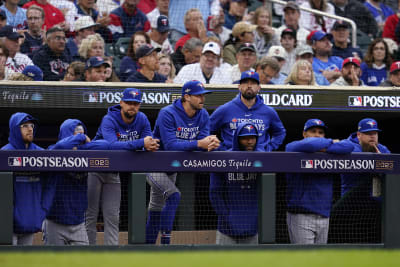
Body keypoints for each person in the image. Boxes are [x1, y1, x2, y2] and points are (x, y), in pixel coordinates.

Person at [44, 118, 150, 245]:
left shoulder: (86, 151)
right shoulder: (53, 149)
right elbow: (61, 146)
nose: (80, 138)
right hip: (55, 221)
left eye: (83, 134)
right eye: (76, 134)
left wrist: (84, 144)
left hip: (77, 224)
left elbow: (106, 145)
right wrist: (81, 137)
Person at [146, 80, 220, 244]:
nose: (202, 98)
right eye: (198, 95)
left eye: (203, 95)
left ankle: (148, 247)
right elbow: (171, 145)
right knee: (174, 195)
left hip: (173, 168)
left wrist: (211, 144)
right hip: (155, 164)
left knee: (156, 206)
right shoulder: (168, 113)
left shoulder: (203, 114)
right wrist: (200, 144)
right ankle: (165, 244)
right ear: (186, 96)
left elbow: (203, 143)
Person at [86, 88, 159, 245]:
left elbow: (149, 141)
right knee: (90, 215)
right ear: (121, 103)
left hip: (113, 172)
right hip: (95, 168)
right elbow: (111, 146)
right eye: (129, 103)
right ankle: (88, 251)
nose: (132, 107)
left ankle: (111, 254)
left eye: (136, 104)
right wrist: (141, 143)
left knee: (112, 216)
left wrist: (149, 144)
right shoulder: (109, 119)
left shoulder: (142, 119)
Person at [285, 118, 353, 244]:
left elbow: (349, 146)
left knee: (319, 260)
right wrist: (331, 142)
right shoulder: (293, 146)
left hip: (324, 214)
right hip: (301, 215)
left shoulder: (326, 151)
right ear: (304, 134)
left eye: (321, 132)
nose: (317, 135)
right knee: (304, 260)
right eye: (313, 131)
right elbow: (310, 145)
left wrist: (322, 146)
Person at [331, 118, 390, 243]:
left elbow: (393, 168)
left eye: (375, 133)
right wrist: (379, 162)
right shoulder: (348, 146)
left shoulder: (382, 149)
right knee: (349, 245)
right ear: (359, 135)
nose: (372, 137)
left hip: (374, 207)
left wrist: (383, 162)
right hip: (351, 207)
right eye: (368, 134)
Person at [1, 112, 56, 245]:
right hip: (7, 225)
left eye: (31, 126)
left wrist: (42, 211)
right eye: (24, 126)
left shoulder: (41, 154)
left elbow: (50, 184)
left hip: (31, 221)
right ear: (15, 129)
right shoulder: (4, 154)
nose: (30, 129)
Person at [210, 122, 263, 245]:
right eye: (245, 138)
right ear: (237, 139)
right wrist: (227, 217)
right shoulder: (224, 159)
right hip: (226, 228)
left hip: (253, 227)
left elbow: (266, 195)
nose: (250, 141)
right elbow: (215, 193)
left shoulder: (262, 159)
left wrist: (257, 218)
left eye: (253, 137)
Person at [210, 70, 286, 151]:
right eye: (245, 82)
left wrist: (268, 148)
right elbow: (207, 129)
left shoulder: (269, 111)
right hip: (231, 158)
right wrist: (221, 148)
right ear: (239, 87)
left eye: (253, 83)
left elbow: (280, 132)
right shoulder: (224, 109)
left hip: (260, 158)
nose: (249, 86)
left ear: (259, 88)